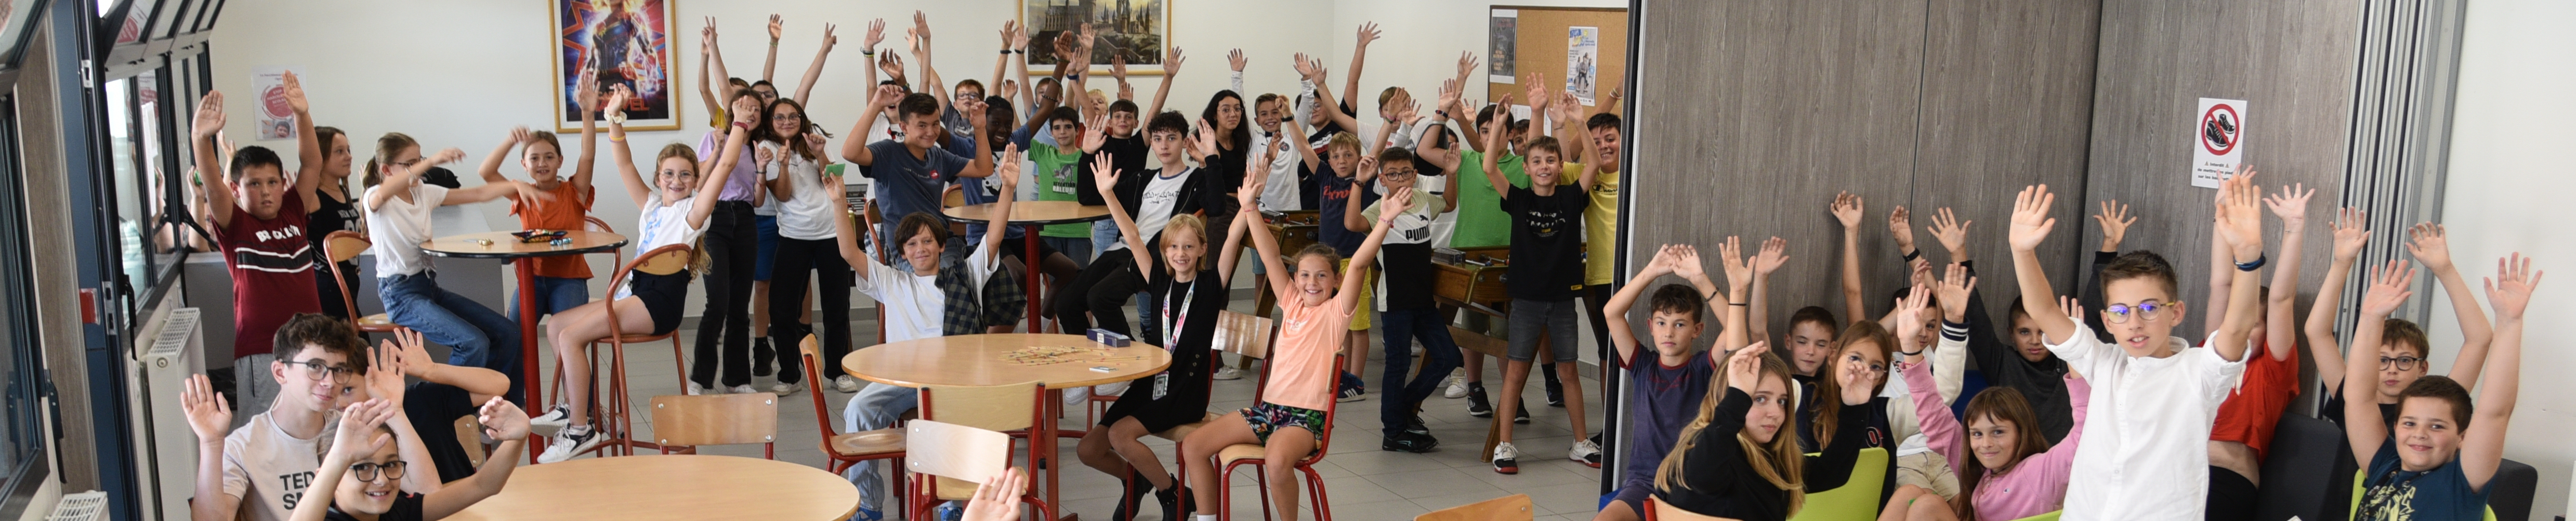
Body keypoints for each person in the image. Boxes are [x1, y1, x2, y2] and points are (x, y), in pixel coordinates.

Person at [2005, 173, 2266, 520]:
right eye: (2120, 312)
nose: (2134, 323)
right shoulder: (2103, 362)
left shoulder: (2198, 371)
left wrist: (2248, 257)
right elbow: (2043, 311)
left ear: (2176, 313)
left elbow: (2237, 328)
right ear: (2107, 320)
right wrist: (2022, 252)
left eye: (2149, 308)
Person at [531, 87, 750, 463]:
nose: (676, 181)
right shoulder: (650, 206)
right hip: (633, 295)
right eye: (669, 174)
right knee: (556, 327)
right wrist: (613, 117)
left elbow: (726, 165)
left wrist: (741, 125)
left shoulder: (692, 213)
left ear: (696, 180)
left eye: (685, 175)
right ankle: (591, 412)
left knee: (570, 337)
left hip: (658, 302)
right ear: (658, 178)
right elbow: (623, 163)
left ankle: (580, 429)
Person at [1180, 180, 1411, 521]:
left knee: (1276, 460)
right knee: (1193, 446)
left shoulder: (1336, 313)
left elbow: (1360, 265)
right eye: (1304, 275)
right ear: (1296, 278)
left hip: (1306, 419)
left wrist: (1385, 222)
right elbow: (1270, 255)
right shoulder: (1291, 302)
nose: (1311, 283)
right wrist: (1250, 207)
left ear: (1336, 281)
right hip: (1269, 411)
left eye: (1321, 276)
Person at [825, 122, 1021, 521]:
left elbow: (994, 238)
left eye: (928, 241)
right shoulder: (893, 282)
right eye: (912, 243)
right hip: (902, 380)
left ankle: (952, 504)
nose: (920, 249)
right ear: (902, 252)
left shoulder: (965, 275)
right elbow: (848, 252)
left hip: (953, 380)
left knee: (947, 421)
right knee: (858, 409)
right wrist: (839, 202)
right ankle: (868, 506)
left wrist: (1008, 189)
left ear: (941, 245)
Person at [1077, 152, 1256, 521]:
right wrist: (1108, 194)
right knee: (1089, 450)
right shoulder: (1158, 279)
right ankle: (1145, 481)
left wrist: (1247, 204)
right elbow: (1131, 234)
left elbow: (1233, 237)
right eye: (1173, 247)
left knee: (1121, 435)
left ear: (1203, 250)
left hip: (1186, 389)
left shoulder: (1211, 285)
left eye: (1189, 246)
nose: (1181, 254)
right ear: (1164, 252)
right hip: (1153, 383)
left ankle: (1172, 494)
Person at [181, 315, 439, 521]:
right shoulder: (243, 446)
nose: (330, 382)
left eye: (339, 370)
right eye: (315, 367)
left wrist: (395, 410)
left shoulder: (352, 428)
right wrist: (211, 443)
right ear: (280, 372)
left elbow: (429, 493)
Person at [2342, 254, 2537, 520]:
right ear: (2396, 427)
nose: (2420, 434)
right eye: (2410, 423)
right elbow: (2358, 397)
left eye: (2437, 426)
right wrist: (2370, 318)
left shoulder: (2461, 484)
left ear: (2462, 437)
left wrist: (2509, 322)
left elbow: (2496, 412)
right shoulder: (2384, 466)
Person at [362, 130, 547, 403]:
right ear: (387, 170)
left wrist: (515, 186)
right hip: (400, 295)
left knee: (507, 333)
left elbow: (478, 193)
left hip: (428, 287)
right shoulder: (376, 197)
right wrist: (432, 161)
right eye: (410, 163)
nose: (419, 168)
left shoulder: (422, 193)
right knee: (472, 343)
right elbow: (384, 192)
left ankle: (496, 407)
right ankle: (449, 413)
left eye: (420, 159)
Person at [186, 74, 328, 421]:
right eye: (254, 184)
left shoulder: (293, 209)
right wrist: (200, 138)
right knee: (264, 432)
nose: (265, 191)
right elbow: (213, 185)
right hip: (262, 350)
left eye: (272, 182)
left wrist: (302, 115)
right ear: (236, 190)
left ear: (282, 184)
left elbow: (312, 164)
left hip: (311, 344)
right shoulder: (235, 223)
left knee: (316, 426)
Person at [1879, 293, 2094, 521]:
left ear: (2021, 432)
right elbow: (1931, 412)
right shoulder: (1977, 466)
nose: (1986, 444)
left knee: (1926, 506)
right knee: (1915, 497)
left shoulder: (2042, 470)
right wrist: (1910, 347)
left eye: (1998, 432)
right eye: (1977, 434)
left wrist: (2074, 351)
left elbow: (2086, 430)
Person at [1478, 93, 1598, 473]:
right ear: (1526, 169)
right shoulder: (1518, 200)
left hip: (1563, 301)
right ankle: (1505, 445)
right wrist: (1500, 124)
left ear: (1561, 166)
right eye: (1536, 161)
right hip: (1527, 301)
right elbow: (1489, 167)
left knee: (1569, 372)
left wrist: (1580, 122)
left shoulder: (1572, 197)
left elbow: (1594, 163)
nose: (1544, 166)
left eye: (1550, 160)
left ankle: (1580, 442)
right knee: (1516, 372)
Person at [1652, 339, 1876, 521]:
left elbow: (1830, 475)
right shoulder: (1708, 450)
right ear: (1730, 397)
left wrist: (1855, 408)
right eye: (1760, 399)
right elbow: (1702, 476)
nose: (1776, 413)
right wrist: (1738, 397)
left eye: (1782, 401)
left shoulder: (1765, 456)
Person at [2311, 218, 2496, 432]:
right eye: (2383, 360)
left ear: (2422, 368)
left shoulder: (2436, 406)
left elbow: (2480, 339)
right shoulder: (2351, 396)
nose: (2392, 370)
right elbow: (2317, 333)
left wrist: (2445, 270)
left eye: (2405, 360)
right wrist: (2341, 263)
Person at [2201, 184, 2315, 519]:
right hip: (2176, 469)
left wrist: (2294, 227)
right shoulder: (2212, 354)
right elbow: (2221, 284)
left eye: (2253, 324)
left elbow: (2282, 299)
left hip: (2226, 479)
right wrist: (2221, 215)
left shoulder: (2271, 374)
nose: (2240, 331)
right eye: (2237, 323)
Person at [1589, 243, 1727, 521]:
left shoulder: (1702, 368)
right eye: (1662, 323)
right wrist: (1652, 271)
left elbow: (1734, 326)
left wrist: (1700, 279)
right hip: (1644, 484)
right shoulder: (1643, 365)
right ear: (1651, 327)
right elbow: (1611, 313)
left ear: (1697, 330)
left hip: (1690, 486)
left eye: (1680, 324)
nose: (1669, 333)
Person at [1054, 112, 1219, 337]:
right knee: (1065, 302)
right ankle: (1090, 354)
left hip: (1153, 257)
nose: (1164, 145)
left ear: (1184, 142)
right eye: (1158, 139)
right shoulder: (1143, 179)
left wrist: (1211, 158)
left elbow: (1216, 207)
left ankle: (1132, 356)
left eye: (1171, 138)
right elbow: (1088, 198)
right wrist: (1087, 154)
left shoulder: (1196, 180)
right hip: (1121, 250)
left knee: (1099, 298)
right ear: (1152, 143)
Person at [1347, 146, 1462, 453]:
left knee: (1449, 357)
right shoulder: (1380, 209)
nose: (1401, 180)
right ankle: (1394, 432)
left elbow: (1449, 204)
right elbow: (1352, 224)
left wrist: (1452, 174)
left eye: (1406, 173)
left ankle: (1404, 406)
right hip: (1396, 303)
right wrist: (1359, 183)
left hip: (1424, 301)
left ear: (1415, 175)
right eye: (1393, 175)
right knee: (1397, 367)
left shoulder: (1423, 199)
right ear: (1383, 179)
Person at [283, 394, 529, 521]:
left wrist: (517, 437)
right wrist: (338, 459)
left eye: (390, 464)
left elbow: (483, 485)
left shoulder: (397, 511)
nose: (382, 480)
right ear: (330, 477)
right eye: (363, 467)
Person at [473, 82, 600, 324]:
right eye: (534, 158)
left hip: (569, 278)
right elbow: (486, 172)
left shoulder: (575, 191)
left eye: (549, 157)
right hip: (531, 277)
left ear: (560, 161)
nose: (542, 163)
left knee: (566, 334)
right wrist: (510, 141)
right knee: (513, 333)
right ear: (525, 165)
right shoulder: (521, 193)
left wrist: (587, 114)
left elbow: (588, 155)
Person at [755, 96, 850, 395]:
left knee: (837, 306)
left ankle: (837, 372)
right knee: (782, 309)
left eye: (793, 116)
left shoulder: (814, 139)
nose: (787, 122)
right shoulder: (766, 147)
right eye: (780, 117)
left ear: (801, 119)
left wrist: (820, 154)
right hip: (794, 236)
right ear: (771, 122)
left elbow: (833, 182)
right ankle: (789, 376)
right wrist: (783, 165)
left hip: (831, 233)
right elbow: (782, 195)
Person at [307, 122, 363, 323]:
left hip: (349, 284)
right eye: (339, 152)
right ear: (319, 157)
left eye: (348, 150)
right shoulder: (313, 197)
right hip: (328, 286)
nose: (349, 157)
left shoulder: (343, 192)